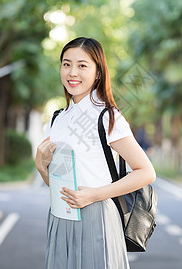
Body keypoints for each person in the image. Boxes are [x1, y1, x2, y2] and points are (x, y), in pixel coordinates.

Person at [35, 37, 156, 269]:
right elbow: (58, 185)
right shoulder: (56, 120)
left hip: (97, 216)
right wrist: (42, 167)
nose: (72, 72)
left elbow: (146, 172)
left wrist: (95, 195)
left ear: (98, 73)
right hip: (60, 217)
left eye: (82, 65)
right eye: (66, 64)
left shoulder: (107, 117)